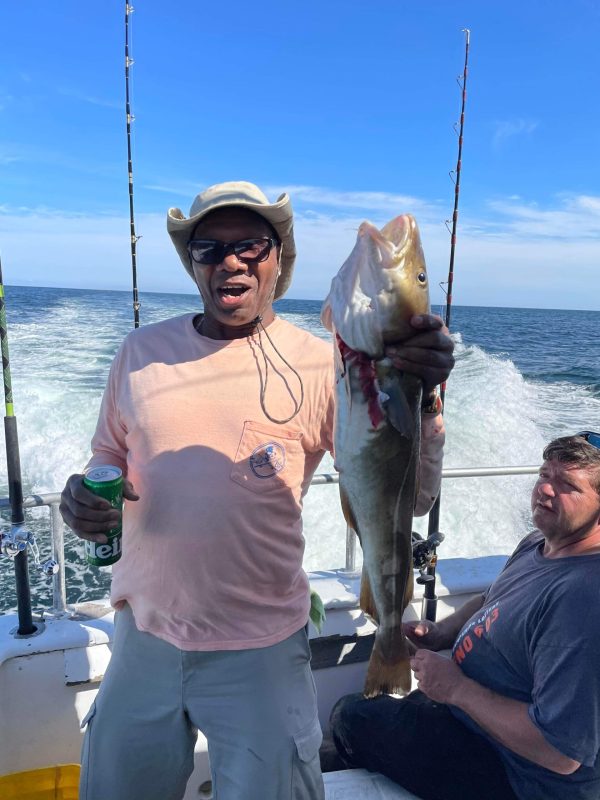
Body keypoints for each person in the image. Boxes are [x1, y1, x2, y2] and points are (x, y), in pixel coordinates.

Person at [59, 181, 455, 800]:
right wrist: (82, 493)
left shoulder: (324, 361)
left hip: (263, 648)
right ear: (193, 264)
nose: (231, 261)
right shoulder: (139, 352)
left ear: (278, 257)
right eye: (209, 249)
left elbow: (415, 491)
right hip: (143, 638)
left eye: (250, 244)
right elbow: (108, 453)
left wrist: (423, 397)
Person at [330, 431, 600, 800]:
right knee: (365, 709)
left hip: (518, 775)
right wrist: (443, 633)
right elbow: (493, 597)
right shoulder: (538, 544)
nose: (545, 490)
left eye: (567, 484)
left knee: (350, 718)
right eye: (543, 474)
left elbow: (560, 752)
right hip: (466, 714)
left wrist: (457, 689)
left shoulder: (583, 599)